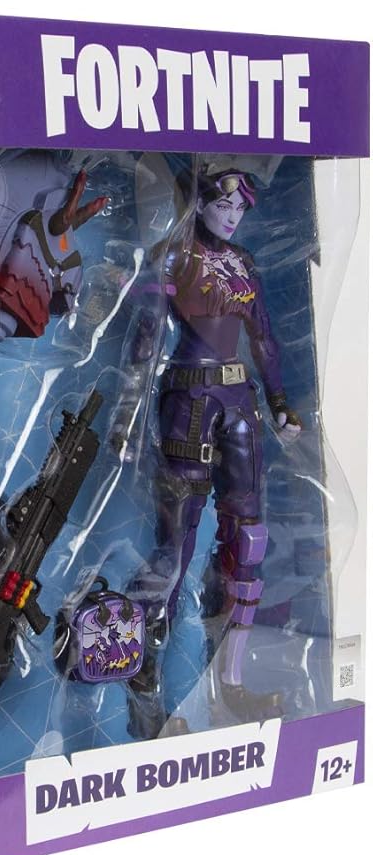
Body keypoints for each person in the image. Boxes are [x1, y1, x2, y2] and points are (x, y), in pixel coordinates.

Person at [119, 168, 301, 737]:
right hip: (188, 398)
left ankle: (231, 683)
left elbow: (262, 335)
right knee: (175, 541)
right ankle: (145, 684)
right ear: (198, 203)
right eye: (224, 204)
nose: (232, 216)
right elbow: (146, 339)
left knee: (248, 540)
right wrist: (127, 412)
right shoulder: (172, 257)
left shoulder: (243, 263)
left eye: (240, 208)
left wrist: (279, 401)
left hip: (239, 400)